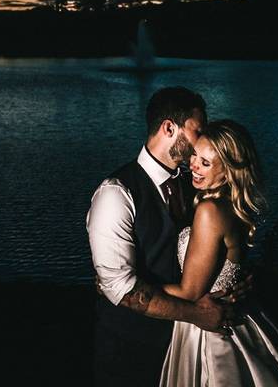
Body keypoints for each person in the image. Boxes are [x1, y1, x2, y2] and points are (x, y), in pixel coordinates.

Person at [87, 87, 236, 386]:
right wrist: (196, 314)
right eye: (199, 129)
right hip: (130, 350)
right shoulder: (116, 193)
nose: (203, 139)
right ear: (170, 127)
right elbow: (122, 289)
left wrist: (231, 275)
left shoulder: (194, 184)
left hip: (186, 346)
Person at [159, 120, 278, 386]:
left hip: (209, 330)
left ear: (228, 172)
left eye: (206, 163)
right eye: (194, 156)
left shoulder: (209, 211)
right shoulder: (229, 206)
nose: (194, 166)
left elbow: (190, 293)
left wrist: (128, 287)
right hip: (239, 315)